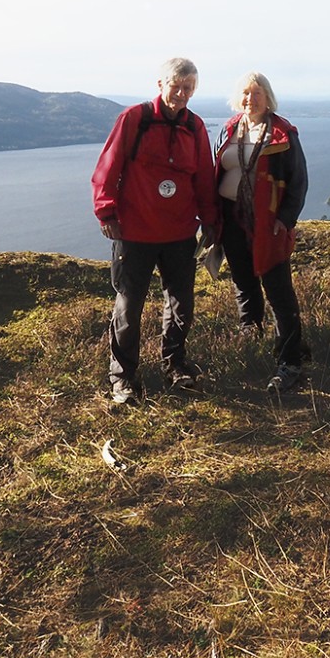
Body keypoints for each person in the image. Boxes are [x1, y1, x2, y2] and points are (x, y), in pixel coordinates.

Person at [90, 57, 220, 404]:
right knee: (128, 308)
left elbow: (204, 178)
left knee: (182, 306)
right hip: (134, 232)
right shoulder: (135, 119)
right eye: (175, 86)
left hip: (179, 234)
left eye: (188, 88)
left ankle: (175, 366)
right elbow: (108, 166)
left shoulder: (195, 126)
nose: (181, 93)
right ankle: (123, 377)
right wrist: (106, 211)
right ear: (160, 84)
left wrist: (210, 222)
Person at [215, 71, 309, 391]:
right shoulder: (229, 129)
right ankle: (251, 341)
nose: (250, 99)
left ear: (268, 98)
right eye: (245, 93)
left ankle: (290, 361)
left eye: (257, 93)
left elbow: (298, 181)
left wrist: (286, 219)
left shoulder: (282, 133)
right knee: (244, 284)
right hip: (231, 220)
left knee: (278, 289)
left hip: (269, 222)